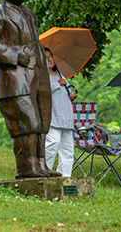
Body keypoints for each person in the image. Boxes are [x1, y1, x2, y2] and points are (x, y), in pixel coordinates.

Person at [0, 0, 61, 179]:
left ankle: (41, 165)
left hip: (37, 77)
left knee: (41, 122)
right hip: (14, 80)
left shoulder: (30, 14)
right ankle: (26, 167)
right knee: (26, 122)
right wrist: (15, 55)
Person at [44, 48, 78, 177]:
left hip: (66, 118)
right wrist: (58, 84)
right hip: (52, 117)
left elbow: (66, 92)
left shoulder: (60, 75)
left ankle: (64, 178)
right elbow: (43, 91)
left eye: (50, 56)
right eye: (45, 57)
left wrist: (71, 96)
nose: (49, 59)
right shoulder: (41, 76)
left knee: (68, 151)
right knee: (52, 144)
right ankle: (44, 173)